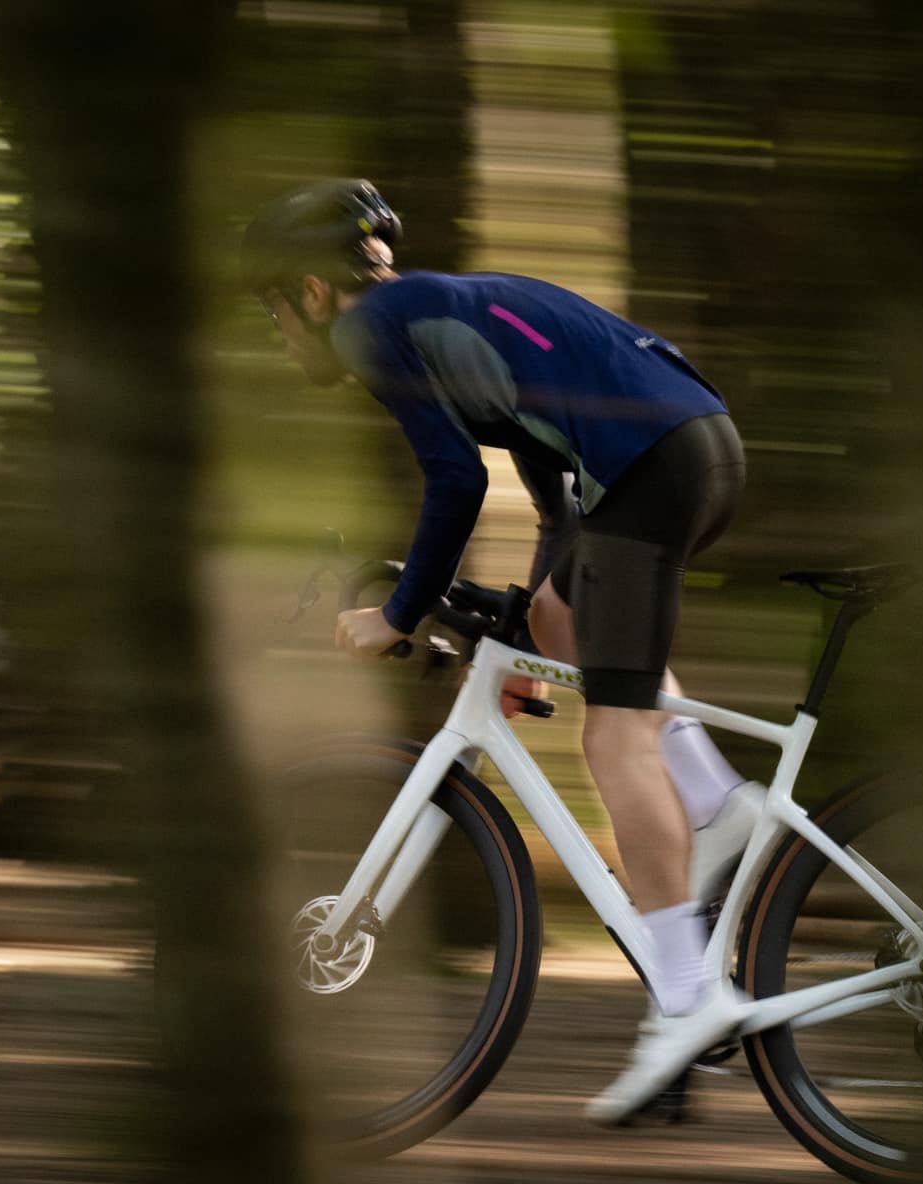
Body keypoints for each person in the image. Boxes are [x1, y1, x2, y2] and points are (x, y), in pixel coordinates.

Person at [242, 178, 763, 1123]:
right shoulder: (445, 311)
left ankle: (688, 995)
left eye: (275, 309)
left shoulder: (374, 328)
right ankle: (718, 804)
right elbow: (556, 496)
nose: (279, 334)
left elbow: (453, 484)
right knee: (566, 621)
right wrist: (525, 632)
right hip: (692, 447)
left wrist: (396, 617)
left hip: (657, 465)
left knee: (613, 740)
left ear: (313, 293)